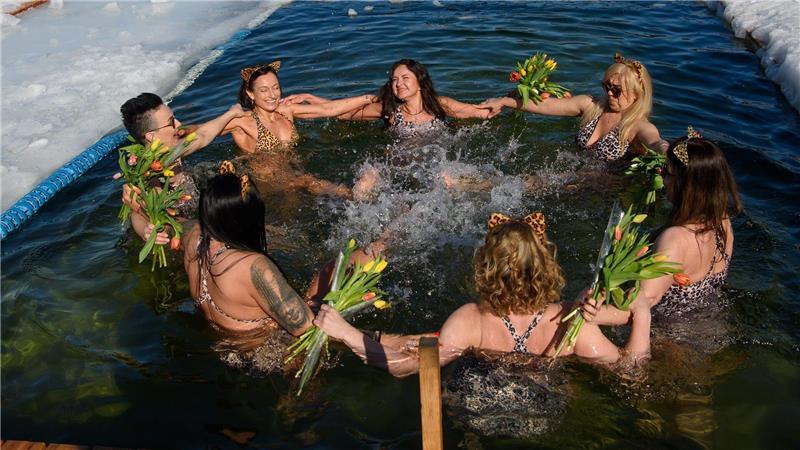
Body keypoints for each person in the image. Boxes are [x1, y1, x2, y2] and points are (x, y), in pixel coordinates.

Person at [314, 212, 653, 378]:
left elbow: (405, 367)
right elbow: (632, 371)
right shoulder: (571, 324)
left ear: (486, 265)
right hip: (543, 413)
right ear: (545, 264)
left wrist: (346, 332)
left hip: (478, 410)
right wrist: (642, 314)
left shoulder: (470, 320)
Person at [582, 129, 742, 345]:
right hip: (709, 328)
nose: (661, 176)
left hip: (668, 340)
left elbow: (643, 302)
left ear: (686, 185)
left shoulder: (676, 239)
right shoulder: (722, 222)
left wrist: (595, 314)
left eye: (667, 172)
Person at [217, 61, 379, 199]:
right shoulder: (243, 122)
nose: (272, 95)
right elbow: (205, 133)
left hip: (291, 172)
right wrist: (229, 114)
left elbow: (328, 109)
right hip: (266, 184)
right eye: (264, 90)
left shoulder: (286, 111)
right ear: (250, 93)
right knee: (307, 181)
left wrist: (368, 98)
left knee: (301, 188)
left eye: (276, 88)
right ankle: (352, 196)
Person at [480, 53, 668, 161]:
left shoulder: (637, 125)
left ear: (636, 94)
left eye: (617, 90)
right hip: (573, 172)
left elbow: (655, 142)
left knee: (530, 183)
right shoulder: (592, 105)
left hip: (606, 186)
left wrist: (667, 151)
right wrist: (504, 101)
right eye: (607, 86)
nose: (609, 93)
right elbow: (547, 106)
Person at [120, 92, 248, 226]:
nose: (179, 124)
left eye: (175, 118)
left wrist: (232, 113)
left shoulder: (173, 151)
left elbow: (203, 135)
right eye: (171, 122)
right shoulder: (151, 178)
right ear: (151, 136)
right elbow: (165, 222)